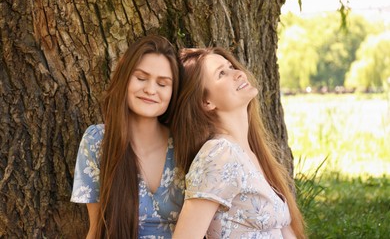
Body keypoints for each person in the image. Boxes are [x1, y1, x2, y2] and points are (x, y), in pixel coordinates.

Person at [171, 47, 306, 239]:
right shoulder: (218, 155)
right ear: (206, 101)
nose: (238, 73)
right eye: (222, 73)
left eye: (231, 66)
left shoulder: (250, 153)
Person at [70, 35, 184, 238]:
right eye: (141, 78)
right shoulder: (98, 140)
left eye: (163, 84)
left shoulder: (186, 142)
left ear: (173, 92)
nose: (150, 90)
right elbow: (97, 229)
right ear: (124, 79)